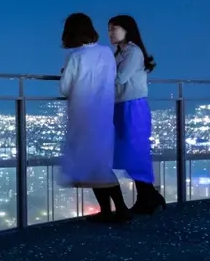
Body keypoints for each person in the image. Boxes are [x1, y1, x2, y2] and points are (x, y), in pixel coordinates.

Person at [58, 13, 129, 222]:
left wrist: (64, 74)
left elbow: (64, 89)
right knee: (98, 162)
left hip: (82, 114)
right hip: (104, 113)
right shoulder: (106, 52)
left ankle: (120, 209)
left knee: (93, 164)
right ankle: (109, 210)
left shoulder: (75, 57)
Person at [109, 14, 166, 214]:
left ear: (127, 29)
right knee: (130, 152)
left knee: (135, 151)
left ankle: (148, 196)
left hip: (132, 107)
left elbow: (120, 78)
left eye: (114, 28)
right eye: (109, 29)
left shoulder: (133, 52)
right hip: (122, 105)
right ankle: (148, 196)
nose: (110, 33)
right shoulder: (120, 52)